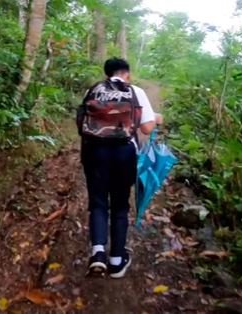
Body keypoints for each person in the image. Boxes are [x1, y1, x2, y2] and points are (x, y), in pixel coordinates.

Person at [76, 57, 162, 278]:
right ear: (127, 73)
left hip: (94, 151)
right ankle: (116, 261)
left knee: (97, 203)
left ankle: (97, 254)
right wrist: (157, 120)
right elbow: (145, 128)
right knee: (120, 205)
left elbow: (81, 123)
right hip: (124, 152)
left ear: (107, 74)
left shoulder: (93, 90)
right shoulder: (135, 92)